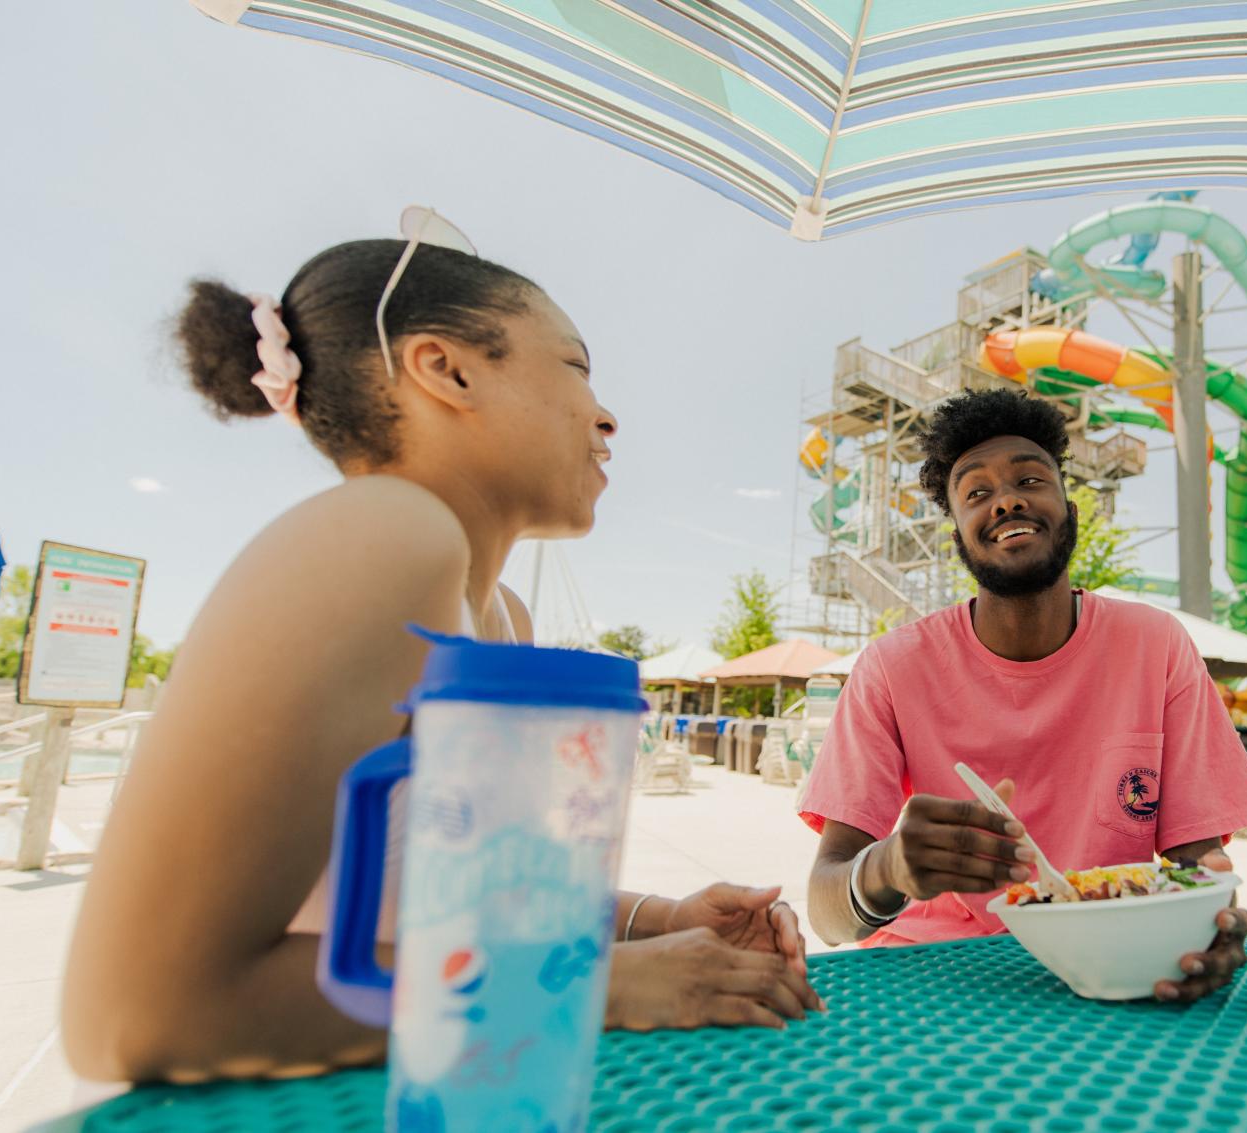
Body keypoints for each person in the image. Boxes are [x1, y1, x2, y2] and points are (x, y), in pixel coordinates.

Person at [63, 215, 821, 1085]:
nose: (605, 414)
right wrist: (593, 985)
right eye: (575, 367)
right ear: (445, 369)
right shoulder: (385, 535)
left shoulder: (500, 611)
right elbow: (137, 1015)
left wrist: (652, 920)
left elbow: (454, 899)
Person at [801, 388, 1247, 1003]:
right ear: (958, 536)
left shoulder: (1155, 647)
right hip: (928, 978)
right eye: (976, 492)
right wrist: (886, 869)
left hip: (1111, 972)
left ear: (1070, 510)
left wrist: (1207, 926)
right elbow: (828, 911)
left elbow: (1198, 865)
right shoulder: (891, 667)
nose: (1008, 499)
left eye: (1030, 478)